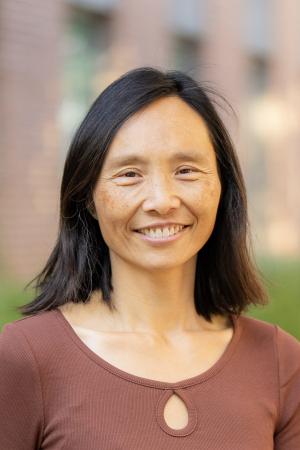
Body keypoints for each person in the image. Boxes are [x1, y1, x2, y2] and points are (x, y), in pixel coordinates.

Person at [0, 67, 299, 450]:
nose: (162, 200)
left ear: (222, 187)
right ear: (88, 197)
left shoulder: (279, 362)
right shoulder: (28, 358)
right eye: (129, 174)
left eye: (186, 170)